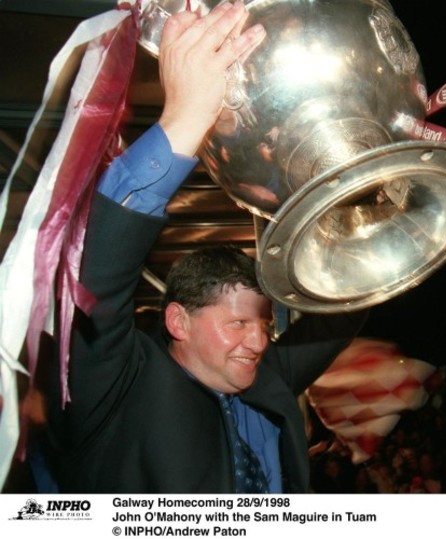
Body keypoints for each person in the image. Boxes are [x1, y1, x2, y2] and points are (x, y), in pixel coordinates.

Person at [47, 2, 366, 493]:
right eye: (238, 324)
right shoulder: (119, 387)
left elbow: (350, 303)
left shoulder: (266, 378)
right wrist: (183, 122)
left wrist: (375, 195)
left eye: (261, 324)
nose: (259, 342)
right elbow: (95, 282)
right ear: (178, 321)